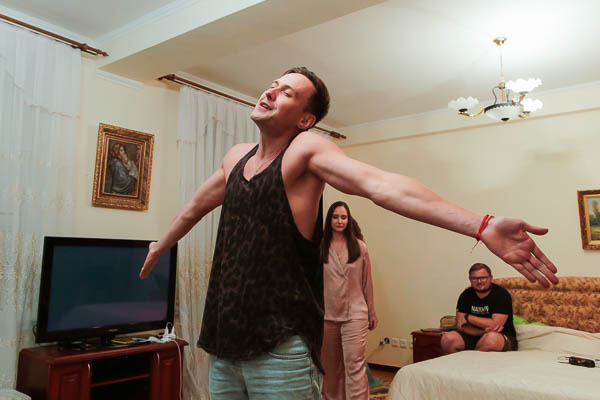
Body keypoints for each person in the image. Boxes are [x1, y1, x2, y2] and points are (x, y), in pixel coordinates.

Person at [139, 66, 557, 399]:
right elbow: (194, 208)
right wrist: (162, 244)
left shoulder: (305, 150)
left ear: (305, 119)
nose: (271, 91)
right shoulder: (235, 158)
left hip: (280, 347)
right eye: (274, 85)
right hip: (223, 342)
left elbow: (381, 186)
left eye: (287, 92)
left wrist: (481, 225)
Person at [321, 201, 377, 400]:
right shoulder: (320, 247)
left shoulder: (360, 247)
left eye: (343, 217)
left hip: (355, 313)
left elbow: (367, 282)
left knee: (354, 363)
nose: (339, 221)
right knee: (330, 367)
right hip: (328, 314)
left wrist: (372, 311)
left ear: (348, 219)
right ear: (329, 220)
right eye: (335, 217)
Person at [440, 263, 517, 354]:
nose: (479, 281)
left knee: (491, 339)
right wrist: (483, 331)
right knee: (447, 339)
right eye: (475, 278)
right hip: (473, 336)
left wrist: (468, 317)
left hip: (501, 336)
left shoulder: (501, 294)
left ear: (491, 278)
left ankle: (470, 361)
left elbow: (495, 325)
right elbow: (461, 326)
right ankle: (460, 362)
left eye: (483, 278)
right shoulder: (466, 295)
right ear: (470, 279)